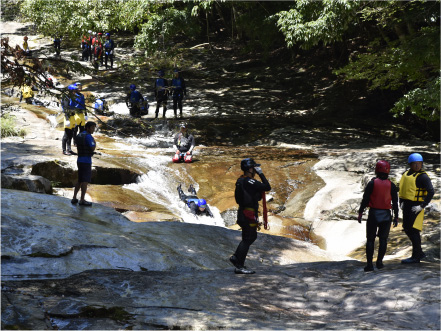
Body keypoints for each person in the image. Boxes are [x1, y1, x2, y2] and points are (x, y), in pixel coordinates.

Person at [230, 158, 271, 274]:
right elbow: (267, 187)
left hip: (243, 212)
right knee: (249, 238)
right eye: (254, 168)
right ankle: (239, 265)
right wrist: (261, 173)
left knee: (248, 237)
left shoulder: (241, 180)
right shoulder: (248, 181)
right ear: (250, 169)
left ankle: (236, 258)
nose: (255, 170)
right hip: (247, 213)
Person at [358, 160, 399, 272]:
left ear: (377, 170)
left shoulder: (372, 183)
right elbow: (395, 202)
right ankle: (380, 263)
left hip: (374, 214)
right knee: (383, 240)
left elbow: (365, 199)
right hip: (386, 215)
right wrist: (396, 216)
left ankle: (370, 265)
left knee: (370, 240)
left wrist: (360, 212)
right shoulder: (392, 185)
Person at [399, 153, 434, 264]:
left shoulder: (423, 177)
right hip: (407, 205)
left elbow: (431, 192)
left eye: (419, 164)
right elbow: (402, 189)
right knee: (407, 228)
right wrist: (401, 202)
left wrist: (422, 206)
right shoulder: (406, 174)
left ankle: (416, 257)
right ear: (410, 164)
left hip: (416, 206)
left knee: (413, 230)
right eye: (415, 164)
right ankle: (420, 252)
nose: (417, 166)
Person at [71, 121, 97, 206]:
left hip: (80, 160)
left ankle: (74, 197)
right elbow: (92, 148)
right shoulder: (89, 137)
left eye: (94, 127)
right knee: (85, 181)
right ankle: (82, 200)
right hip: (86, 161)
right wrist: (94, 142)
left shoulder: (80, 135)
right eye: (92, 127)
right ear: (88, 128)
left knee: (80, 180)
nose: (93, 129)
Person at [61, 85, 78, 155]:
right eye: (74, 91)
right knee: (66, 135)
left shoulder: (72, 97)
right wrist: (67, 119)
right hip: (68, 117)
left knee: (71, 134)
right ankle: (64, 150)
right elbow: (65, 109)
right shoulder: (66, 98)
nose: (75, 92)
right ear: (71, 91)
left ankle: (69, 149)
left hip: (73, 117)